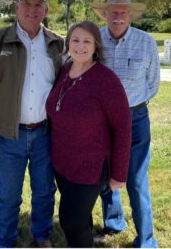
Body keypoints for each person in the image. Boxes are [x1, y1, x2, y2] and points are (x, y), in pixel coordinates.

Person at [0, 0, 64, 248]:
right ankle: (6, 241)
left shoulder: (57, 43)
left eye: (38, 4)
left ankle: (42, 236)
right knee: (9, 194)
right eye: (27, 3)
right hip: (11, 135)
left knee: (45, 191)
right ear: (16, 7)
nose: (32, 9)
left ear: (46, 8)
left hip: (46, 133)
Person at [46, 20, 132, 247]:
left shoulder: (105, 79)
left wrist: (119, 174)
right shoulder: (64, 71)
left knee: (70, 221)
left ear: (96, 46)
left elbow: (123, 127)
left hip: (90, 166)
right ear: (68, 44)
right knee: (80, 219)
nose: (80, 46)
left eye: (87, 41)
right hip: (63, 163)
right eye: (75, 40)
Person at [91, 0, 160, 248]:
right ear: (105, 14)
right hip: (103, 120)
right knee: (106, 174)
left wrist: (130, 105)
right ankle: (114, 222)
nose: (118, 16)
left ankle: (146, 240)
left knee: (137, 179)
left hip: (136, 117)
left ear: (130, 14)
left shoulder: (146, 41)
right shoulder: (95, 38)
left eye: (123, 12)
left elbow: (153, 84)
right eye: (113, 11)